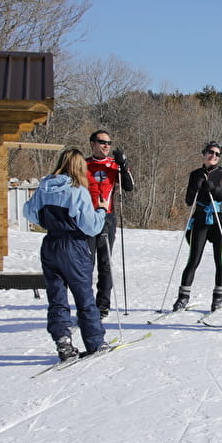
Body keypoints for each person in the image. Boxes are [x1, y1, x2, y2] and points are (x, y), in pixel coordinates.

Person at [24, 148, 108, 360]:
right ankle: (95, 342)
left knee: (57, 295)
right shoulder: (77, 190)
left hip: (50, 243)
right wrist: (101, 212)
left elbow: (29, 212)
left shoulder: (44, 187)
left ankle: (62, 339)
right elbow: (90, 227)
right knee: (83, 295)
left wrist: (47, 220)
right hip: (73, 244)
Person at [172, 141, 222, 312]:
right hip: (200, 219)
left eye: (217, 154)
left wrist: (214, 189)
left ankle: (218, 298)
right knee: (193, 259)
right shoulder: (195, 174)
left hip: (219, 220)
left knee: (219, 260)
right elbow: (188, 201)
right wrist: (196, 186)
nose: (213, 156)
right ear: (204, 153)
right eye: (210, 152)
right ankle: (182, 297)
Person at [86, 130, 134, 317]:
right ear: (92, 143)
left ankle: (103, 304)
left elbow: (129, 187)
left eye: (109, 143)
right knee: (86, 263)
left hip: (107, 217)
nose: (106, 146)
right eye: (102, 142)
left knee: (105, 263)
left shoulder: (114, 165)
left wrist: (123, 164)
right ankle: (87, 303)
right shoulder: (83, 163)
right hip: (87, 218)